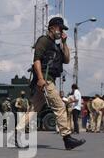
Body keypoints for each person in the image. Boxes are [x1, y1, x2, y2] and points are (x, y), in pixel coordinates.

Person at [18, 17, 85, 150]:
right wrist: (41, 78)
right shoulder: (44, 40)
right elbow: (36, 60)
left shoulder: (57, 45)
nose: (61, 31)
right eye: (60, 28)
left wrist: (64, 43)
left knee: (34, 108)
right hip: (45, 79)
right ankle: (67, 138)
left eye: (62, 29)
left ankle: (17, 132)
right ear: (52, 28)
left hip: (48, 79)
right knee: (60, 106)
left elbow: (66, 60)